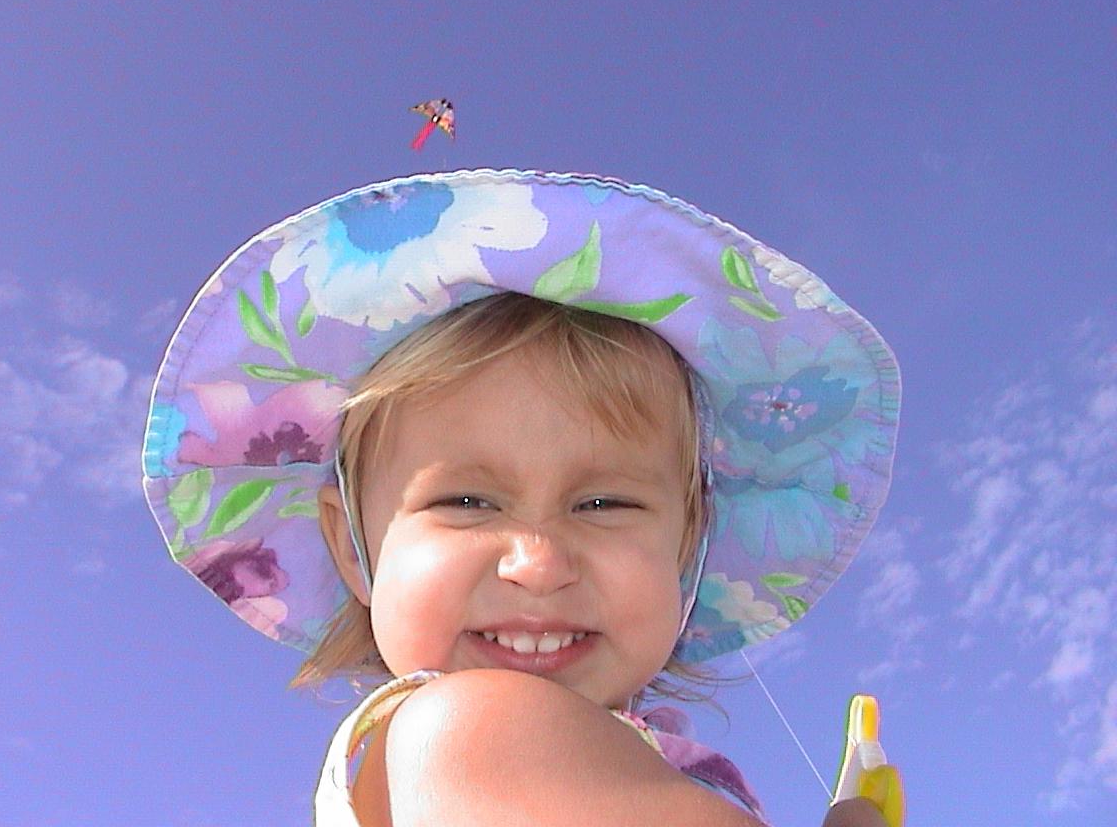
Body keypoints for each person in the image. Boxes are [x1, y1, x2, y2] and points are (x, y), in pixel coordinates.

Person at [143, 170, 903, 826]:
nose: (538, 563)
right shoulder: (469, 728)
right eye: (468, 502)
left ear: (688, 539)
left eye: (605, 504)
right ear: (352, 546)